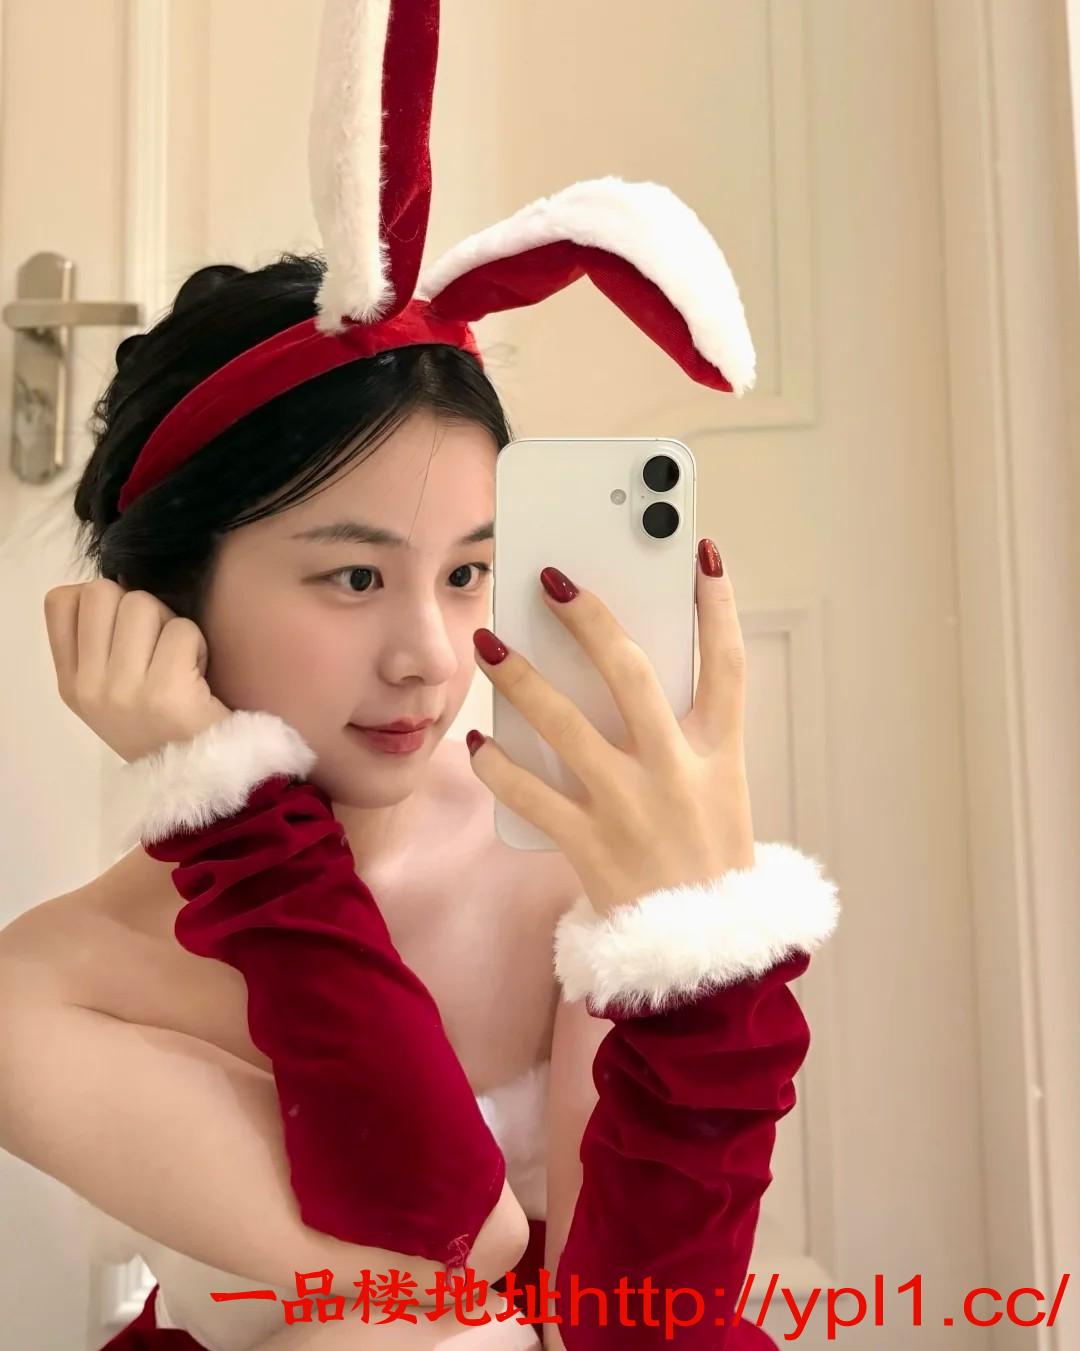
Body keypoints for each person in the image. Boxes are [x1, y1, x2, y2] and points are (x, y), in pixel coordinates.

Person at [0, 4, 841, 1345]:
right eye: (353, 577)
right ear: (171, 602)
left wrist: (702, 957)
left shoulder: (567, 863)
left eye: (466, 573)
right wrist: (240, 827)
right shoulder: (49, 986)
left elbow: (636, 1327)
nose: (430, 657)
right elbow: (453, 1250)